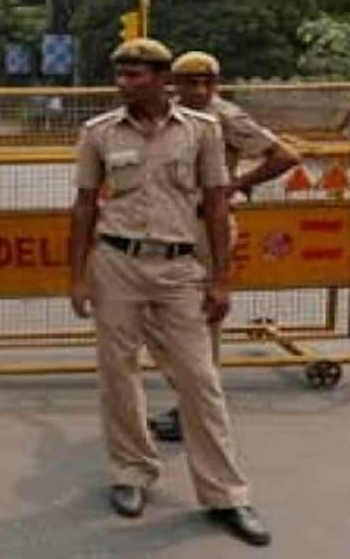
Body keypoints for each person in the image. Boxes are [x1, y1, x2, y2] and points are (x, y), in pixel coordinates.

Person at [69, 38, 270, 546]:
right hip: (116, 264)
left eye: (135, 75)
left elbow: (218, 205)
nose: (124, 84)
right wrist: (76, 275)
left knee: (200, 380)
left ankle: (226, 494)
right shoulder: (98, 133)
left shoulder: (203, 132)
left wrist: (221, 278)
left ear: (162, 79)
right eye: (120, 74)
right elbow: (85, 207)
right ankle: (132, 472)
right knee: (119, 374)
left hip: (182, 268)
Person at [146, 51, 301, 442]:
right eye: (190, 81)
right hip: (168, 228)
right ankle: (195, 400)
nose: (199, 89)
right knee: (152, 314)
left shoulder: (225, 116)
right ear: (174, 84)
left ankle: (197, 410)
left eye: (207, 81)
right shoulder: (169, 115)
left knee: (203, 321)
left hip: (205, 226)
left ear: (217, 83)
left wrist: (235, 186)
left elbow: (285, 156)